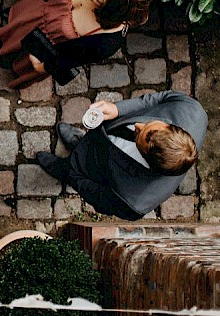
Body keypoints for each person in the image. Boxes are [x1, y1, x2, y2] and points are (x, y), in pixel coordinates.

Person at [36, 91, 208, 220]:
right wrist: (118, 109)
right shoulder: (192, 110)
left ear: (148, 159)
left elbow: (98, 196)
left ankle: (64, 169)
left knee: (72, 168)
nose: (137, 125)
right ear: (169, 127)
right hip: (101, 139)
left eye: (138, 136)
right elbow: (162, 98)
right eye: (148, 124)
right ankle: (80, 142)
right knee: (90, 141)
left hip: (91, 168)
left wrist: (74, 175)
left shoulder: (134, 203)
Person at [0, 0, 154, 90]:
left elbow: (66, 59)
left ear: (110, 12)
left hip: (41, 44)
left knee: (13, 57)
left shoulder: (106, 43)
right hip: (34, 12)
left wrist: (39, 66)